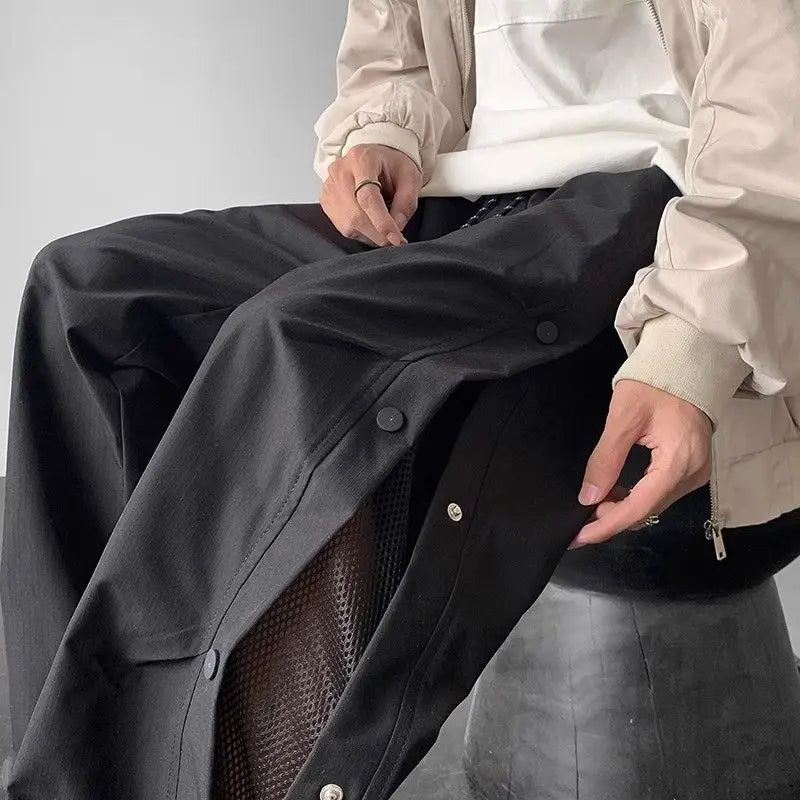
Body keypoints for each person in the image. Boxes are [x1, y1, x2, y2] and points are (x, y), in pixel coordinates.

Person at [2, 0, 800, 797]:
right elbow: (397, 56)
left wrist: (695, 345)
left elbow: (774, 101)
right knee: (86, 293)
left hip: (659, 205)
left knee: (296, 340)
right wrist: (381, 135)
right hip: (466, 200)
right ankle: (61, 769)